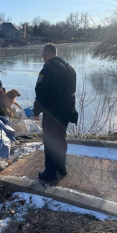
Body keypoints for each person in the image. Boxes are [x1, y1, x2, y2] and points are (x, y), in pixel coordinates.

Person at [34, 43, 76, 181]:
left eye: (42, 57)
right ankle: (61, 167)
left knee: (50, 140)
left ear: (45, 56)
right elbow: (73, 91)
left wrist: (36, 111)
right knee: (60, 139)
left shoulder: (47, 70)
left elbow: (40, 93)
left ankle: (50, 173)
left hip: (52, 113)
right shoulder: (70, 69)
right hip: (66, 113)